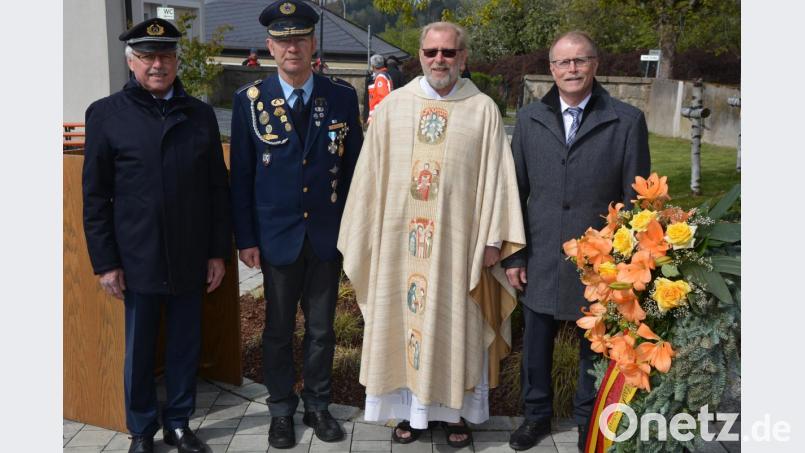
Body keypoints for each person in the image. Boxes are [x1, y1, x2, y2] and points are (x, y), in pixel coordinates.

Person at [338, 21, 526, 449]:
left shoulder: (483, 110)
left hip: (458, 251)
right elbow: (369, 179)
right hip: (399, 250)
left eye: (448, 52)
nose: (439, 59)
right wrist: (366, 236)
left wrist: (494, 240)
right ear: (419, 56)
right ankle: (410, 415)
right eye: (431, 52)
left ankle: (456, 414)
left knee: (457, 324)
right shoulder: (393, 107)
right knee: (403, 323)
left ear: (463, 58)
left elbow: (498, 178)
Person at [82, 18, 231, 453]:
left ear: (177, 60)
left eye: (165, 55)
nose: (158, 64)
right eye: (147, 56)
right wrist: (105, 262)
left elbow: (216, 191)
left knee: (185, 346)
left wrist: (218, 252)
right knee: (140, 352)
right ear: (132, 62)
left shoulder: (200, 115)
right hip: (137, 257)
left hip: (189, 255)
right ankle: (142, 431)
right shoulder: (107, 115)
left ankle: (180, 424)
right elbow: (95, 196)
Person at [502, 31, 651, 451]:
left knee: (595, 347)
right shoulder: (530, 119)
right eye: (563, 63)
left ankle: (590, 420)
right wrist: (516, 253)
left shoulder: (625, 120)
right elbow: (514, 191)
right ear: (551, 69)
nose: (571, 70)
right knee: (535, 345)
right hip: (542, 253)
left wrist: (625, 263)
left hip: (600, 261)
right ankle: (535, 417)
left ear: (595, 65)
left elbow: (637, 200)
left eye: (579, 61)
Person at [228, 0, 363, 449]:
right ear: (269, 46)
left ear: (313, 44)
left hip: (326, 238)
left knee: (322, 330)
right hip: (276, 239)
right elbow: (242, 176)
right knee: (278, 331)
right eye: (283, 40)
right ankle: (281, 409)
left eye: (300, 39)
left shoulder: (341, 97)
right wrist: (245, 238)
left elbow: (354, 174)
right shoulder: (249, 102)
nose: (292, 48)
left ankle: (319, 406)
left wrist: (352, 233)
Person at [367, 53, 392, 123]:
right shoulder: (384, 75)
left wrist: (374, 116)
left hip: (378, 117)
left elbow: (383, 98)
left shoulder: (380, 77)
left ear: (373, 66)